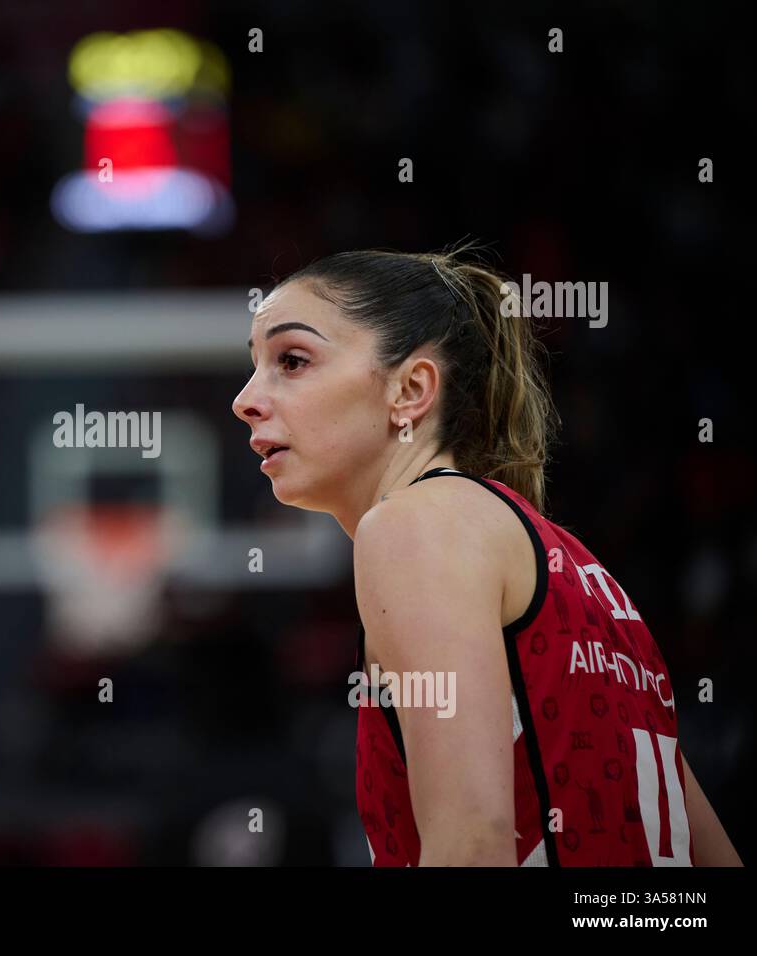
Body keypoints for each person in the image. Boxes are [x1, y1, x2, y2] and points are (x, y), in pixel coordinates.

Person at [232, 245, 743, 866]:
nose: (246, 399)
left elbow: (473, 841)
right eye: (255, 365)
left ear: (412, 389)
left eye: (292, 360)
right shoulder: (580, 569)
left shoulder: (411, 526)